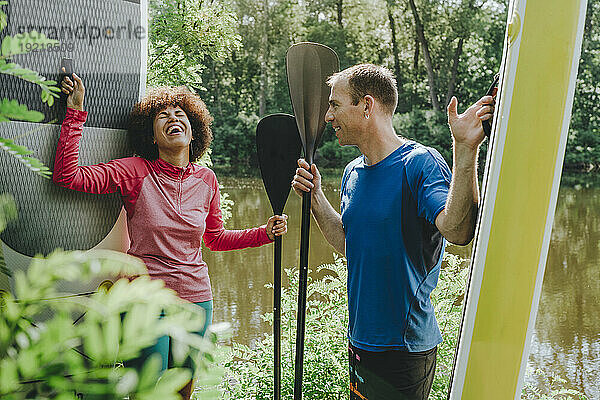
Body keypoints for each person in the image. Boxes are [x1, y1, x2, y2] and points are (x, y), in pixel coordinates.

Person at [55, 72, 288, 400]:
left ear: (194, 131)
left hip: (197, 300)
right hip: (146, 300)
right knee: (148, 390)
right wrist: (75, 113)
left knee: (182, 392)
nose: (172, 118)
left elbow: (215, 238)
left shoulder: (207, 179)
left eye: (180, 114)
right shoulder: (134, 171)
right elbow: (68, 176)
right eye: (162, 116)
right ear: (151, 136)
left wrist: (263, 233)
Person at [291, 64, 494, 400]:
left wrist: (465, 149)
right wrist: (315, 199)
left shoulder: (419, 163)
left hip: (404, 349)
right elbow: (351, 242)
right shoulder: (352, 172)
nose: (328, 116)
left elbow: (457, 230)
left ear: (366, 106)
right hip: (360, 340)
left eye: (335, 105)